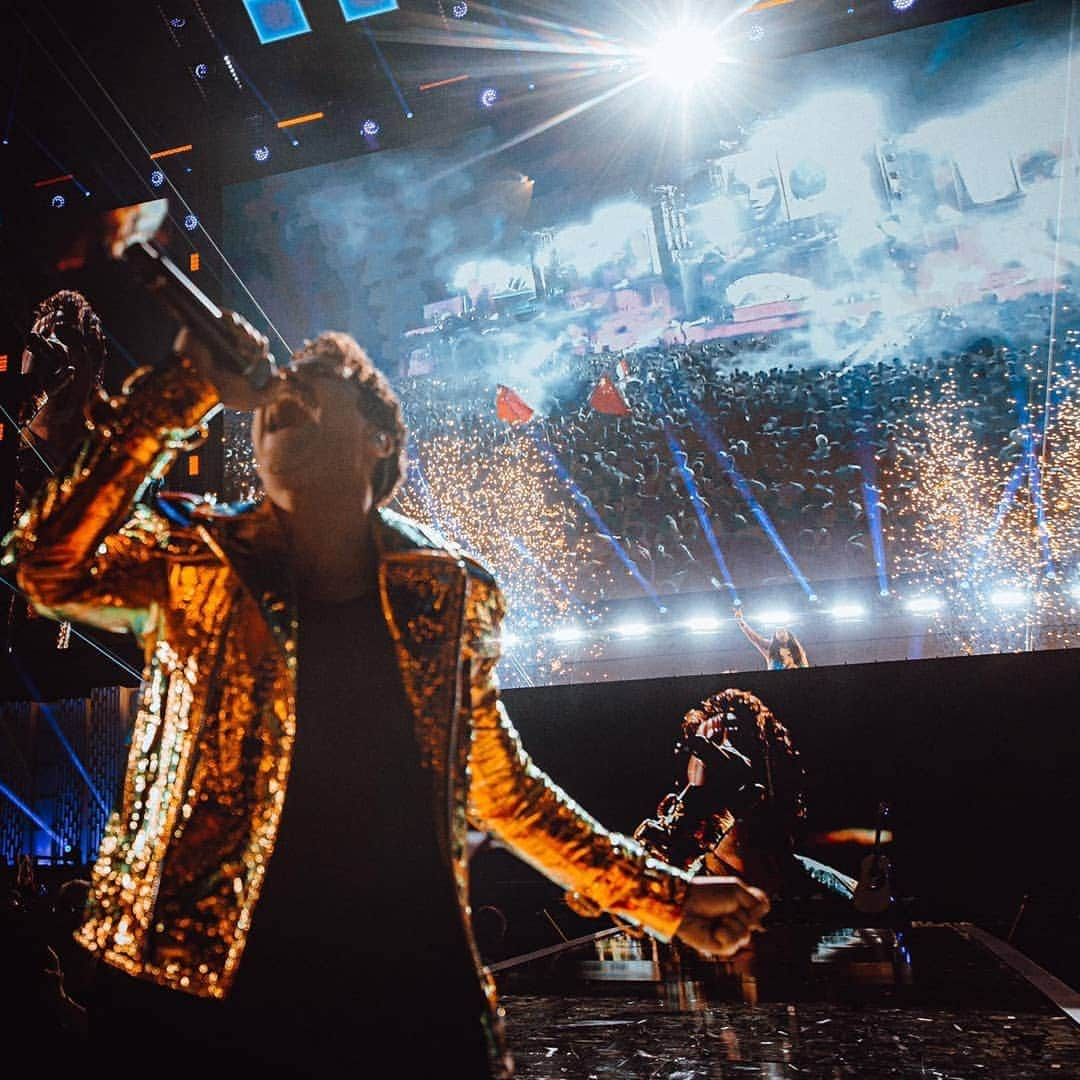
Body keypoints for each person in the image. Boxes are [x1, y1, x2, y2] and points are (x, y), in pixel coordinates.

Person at [3, 307, 770, 1078]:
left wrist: (665, 899)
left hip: (401, 991)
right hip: (192, 990)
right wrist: (181, 389)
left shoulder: (448, 591)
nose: (286, 400)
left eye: (318, 390)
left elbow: (503, 791)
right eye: (278, 397)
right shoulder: (195, 555)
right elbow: (47, 564)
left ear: (378, 440)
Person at [634, 687, 854, 911]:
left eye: (739, 740)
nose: (724, 756)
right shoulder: (671, 906)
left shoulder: (843, 896)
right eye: (711, 748)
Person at [2, 289, 107, 652]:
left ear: (93, 360)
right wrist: (30, 395)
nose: (51, 346)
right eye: (41, 337)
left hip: (65, 673)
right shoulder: (7, 432)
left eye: (66, 336)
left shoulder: (108, 457)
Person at [734, 606, 809, 669]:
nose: (781, 633)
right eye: (779, 632)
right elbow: (755, 639)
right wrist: (741, 621)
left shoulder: (798, 650)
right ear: (775, 636)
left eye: (783, 631)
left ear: (789, 635)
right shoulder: (771, 652)